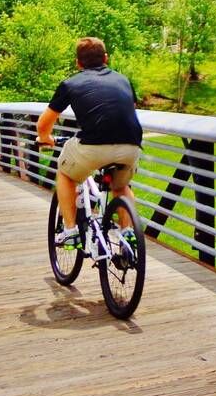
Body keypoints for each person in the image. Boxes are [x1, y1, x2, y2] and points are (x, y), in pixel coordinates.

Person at [36, 37, 141, 249]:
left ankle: (70, 231)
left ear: (78, 63)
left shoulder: (70, 83)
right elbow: (127, 110)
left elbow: (43, 124)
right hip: (130, 144)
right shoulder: (123, 79)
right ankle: (128, 232)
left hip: (93, 146)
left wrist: (46, 138)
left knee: (65, 174)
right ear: (106, 58)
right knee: (120, 186)